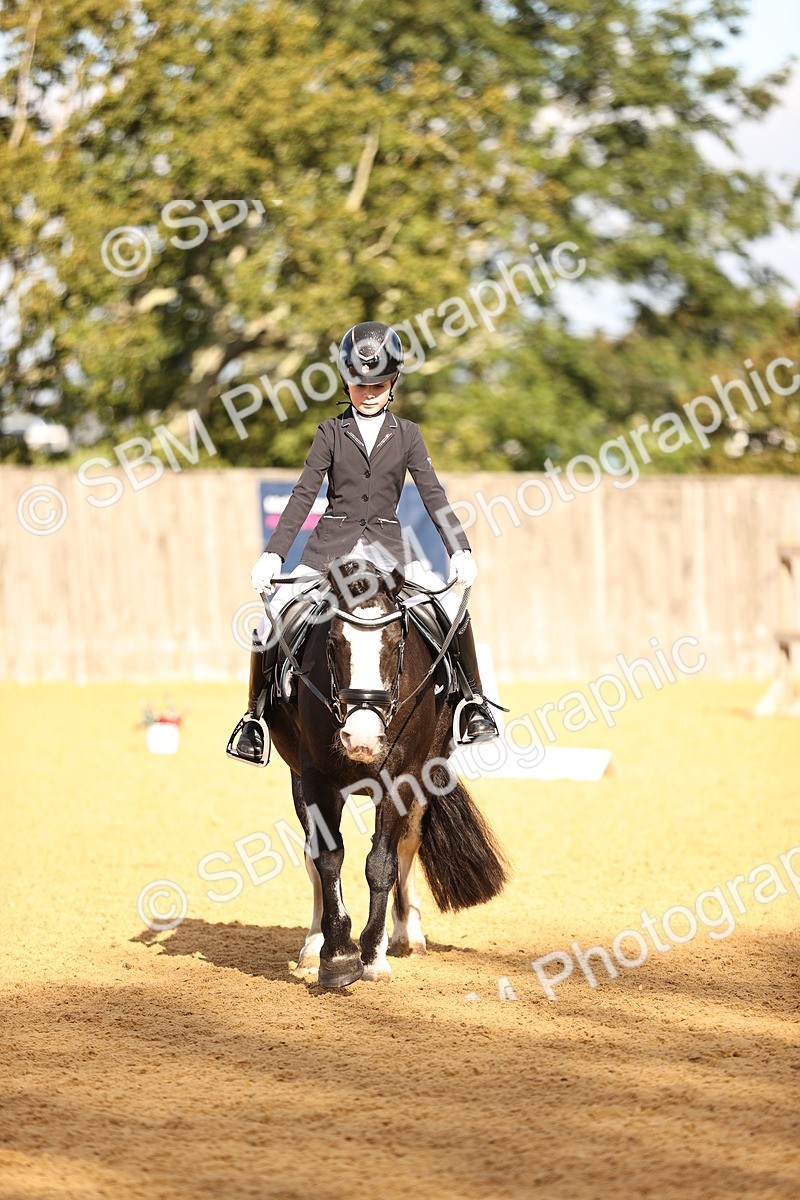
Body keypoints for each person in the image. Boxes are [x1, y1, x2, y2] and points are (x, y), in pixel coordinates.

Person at [228, 321, 499, 765]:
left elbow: (432, 492)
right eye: (359, 383)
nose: (368, 391)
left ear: (392, 382)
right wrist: (275, 552)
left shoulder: (408, 434)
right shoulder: (329, 433)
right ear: (346, 381)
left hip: (390, 550)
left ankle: (473, 705)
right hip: (330, 550)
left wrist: (460, 549)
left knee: (450, 609)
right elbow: (302, 494)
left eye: (377, 382)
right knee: (270, 619)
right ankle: (255, 719)